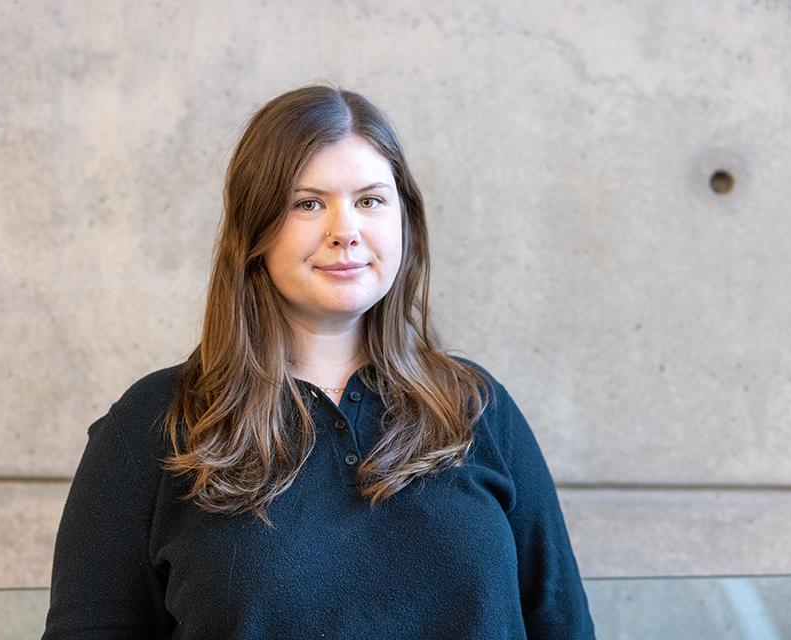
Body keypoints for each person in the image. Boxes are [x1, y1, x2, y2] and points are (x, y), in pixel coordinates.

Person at [42, 84, 596, 639]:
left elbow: (563, 628)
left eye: (370, 200)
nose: (345, 232)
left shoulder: (476, 407)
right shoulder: (155, 424)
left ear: (405, 220)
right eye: (308, 203)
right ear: (254, 231)